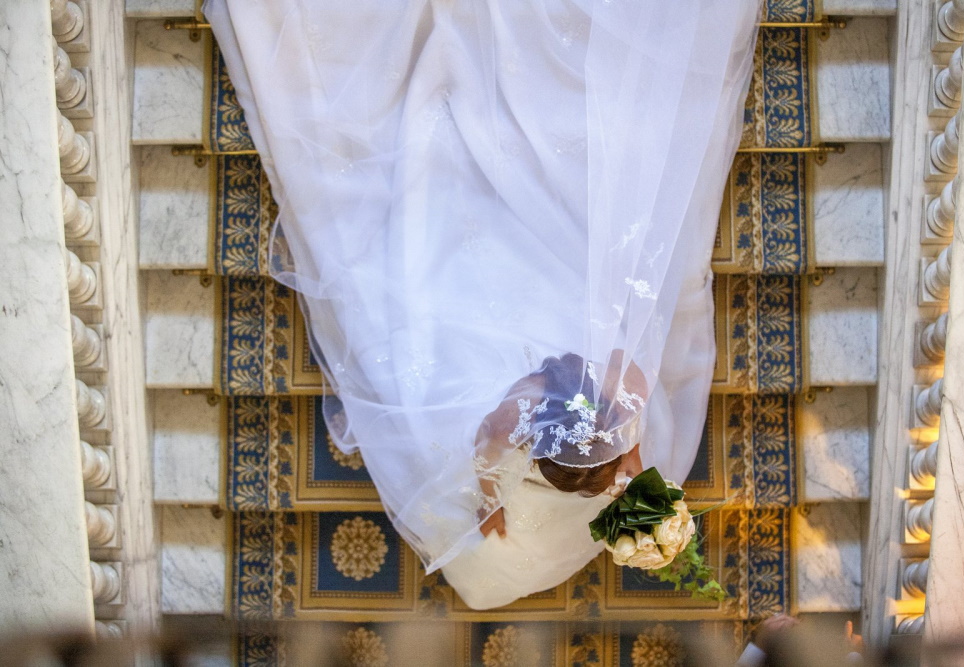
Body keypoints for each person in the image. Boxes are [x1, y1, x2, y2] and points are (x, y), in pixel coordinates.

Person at [205, 0, 763, 609]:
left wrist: (593, 463)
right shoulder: (518, 412)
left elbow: (492, 457)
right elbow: (490, 455)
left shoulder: (580, 407)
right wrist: (504, 496)